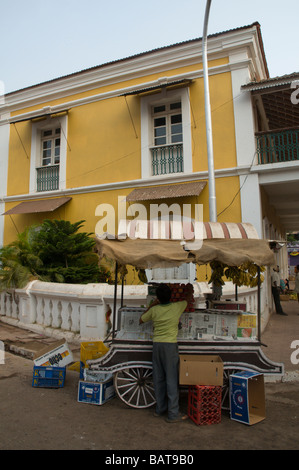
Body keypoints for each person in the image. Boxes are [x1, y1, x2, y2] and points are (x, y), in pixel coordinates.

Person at [139, 283, 192, 423]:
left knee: (159, 378)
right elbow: (188, 299)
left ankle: (160, 409)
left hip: (157, 346)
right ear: (171, 296)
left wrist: (153, 304)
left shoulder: (154, 310)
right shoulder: (177, 307)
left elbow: (141, 319)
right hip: (170, 346)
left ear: (158, 297)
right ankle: (173, 413)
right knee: (171, 379)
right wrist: (189, 288)